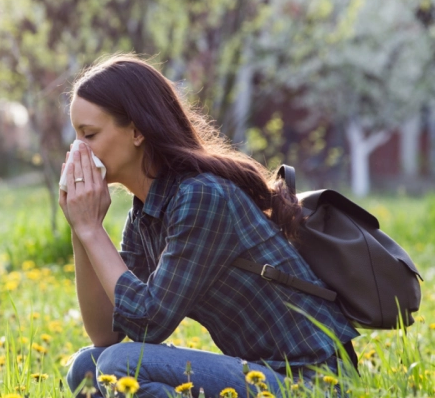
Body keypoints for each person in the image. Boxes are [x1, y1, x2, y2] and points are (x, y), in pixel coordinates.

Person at [59, 54, 358, 398]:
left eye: (90, 134)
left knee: (119, 366)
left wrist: (92, 231)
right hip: (261, 375)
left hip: (314, 383)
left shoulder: (201, 195)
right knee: (87, 367)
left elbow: (148, 323)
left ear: (137, 130)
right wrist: (81, 228)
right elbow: (105, 334)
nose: (78, 150)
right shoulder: (146, 213)